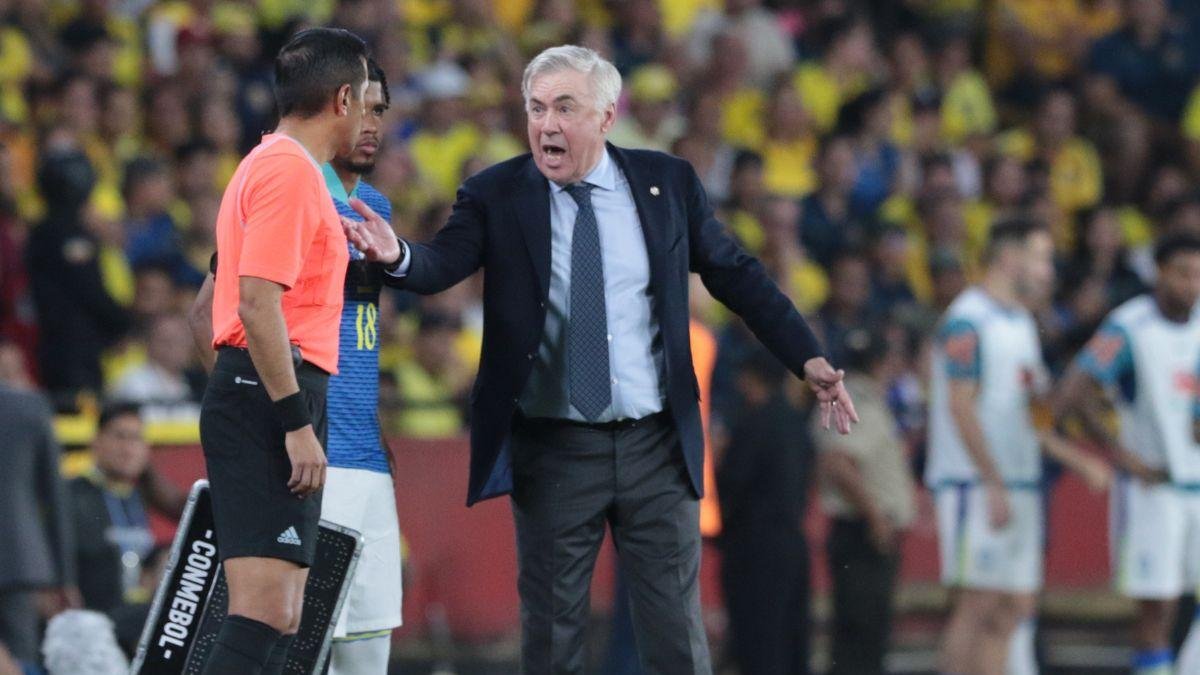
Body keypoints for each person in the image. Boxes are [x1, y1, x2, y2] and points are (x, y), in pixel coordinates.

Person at [343, 44, 857, 674]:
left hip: (656, 446)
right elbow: (442, 263)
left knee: (675, 636)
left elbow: (737, 274)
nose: (546, 124)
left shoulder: (667, 183)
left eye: (565, 107)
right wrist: (396, 254)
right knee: (554, 639)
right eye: (535, 108)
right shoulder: (496, 192)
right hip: (554, 449)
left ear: (608, 115)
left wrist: (806, 357)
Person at [192, 58, 405, 675]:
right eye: (362, 105)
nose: (371, 123)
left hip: (361, 452)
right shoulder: (286, 181)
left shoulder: (375, 206)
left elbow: (357, 333)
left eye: (382, 110)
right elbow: (218, 309)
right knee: (287, 638)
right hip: (304, 443)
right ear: (337, 102)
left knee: (363, 650)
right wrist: (271, 410)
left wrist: (361, 420)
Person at [926, 218, 1111, 675]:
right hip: (977, 484)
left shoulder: (1021, 321)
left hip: (1019, 483)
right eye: (1041, 257)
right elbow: (960, 407)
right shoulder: (968, 321)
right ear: (1009, 258)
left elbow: (1032, 414)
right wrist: (991, 481)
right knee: (977, 604)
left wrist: (1078, 459)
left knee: (1011, 609)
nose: (1049, 269)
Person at [1056, 233, 1200, 675]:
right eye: (1183, 273)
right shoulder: (1129, 327)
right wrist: (1124, 457)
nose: (1193, 284)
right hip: (1153, 488)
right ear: (1159, 272)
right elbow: (1072, 393)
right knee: (1156, 611)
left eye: (1199, 275)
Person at [815, 326, 916, 675]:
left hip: (856, 531)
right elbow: (839, 464)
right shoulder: (862, 401)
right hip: (863, 534)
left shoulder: (844, 396)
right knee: (863, 637)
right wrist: (875, 517)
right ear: (881, 362)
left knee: (856, 635)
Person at [716, 349, 812, 675]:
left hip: (753, 548)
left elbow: (733, 481)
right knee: (791, 638)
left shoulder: (752, 422)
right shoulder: (795, 421)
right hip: (791, 543)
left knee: (758, 641)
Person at [0, 343, 78, 667]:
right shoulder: (31, 407)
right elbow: (55, 497)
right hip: (21, 562)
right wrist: (65, 577)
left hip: (22, 566)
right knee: (22, 659)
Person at [67, 402, 162, 614]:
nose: (128, 449)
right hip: (89, 619)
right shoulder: (71, 494)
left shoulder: (139, 495)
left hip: (135, 617)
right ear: (96, 442)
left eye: (136, 439)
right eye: (120, 436)